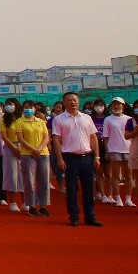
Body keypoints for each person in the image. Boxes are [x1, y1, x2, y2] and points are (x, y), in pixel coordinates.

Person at [51, 92, 102, 227]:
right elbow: (56, 140)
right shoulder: (59, 120)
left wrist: (97, 156)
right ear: (64, 103)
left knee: (89, 189)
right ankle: (74, 216)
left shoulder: (86, 118)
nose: (72, 102)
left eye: (74, 100)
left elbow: (93, 137)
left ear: (78, 101)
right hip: (70, 158)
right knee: (72, 189)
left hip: (87, 157)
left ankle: (90, 216)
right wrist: (60, 159)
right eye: (69, 100)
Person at [14, 101, 51, 218]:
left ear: (35, 109)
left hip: (43, 153)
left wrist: (39, 149)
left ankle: (43, 206)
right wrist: (33, 149)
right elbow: (20, 139)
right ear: (23, 109)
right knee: (29, 181)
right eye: (26, 107)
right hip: (27, 154)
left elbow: (46, 137)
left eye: (31, 107)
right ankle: (32, 206)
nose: (28, 109)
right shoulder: (19, 122)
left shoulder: (41, 121)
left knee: (44, 180)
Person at [101, 98, 133, 207]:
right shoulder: (108, 119)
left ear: (123, 106)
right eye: (114, 104)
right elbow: (106, 137)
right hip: (114, 149)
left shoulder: (129, 119)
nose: (116, 106)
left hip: (128, 149)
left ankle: (128, 199)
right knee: (115, 176)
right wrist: (107, 151)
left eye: (118, 104)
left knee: (128, 175)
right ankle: (118, 198)